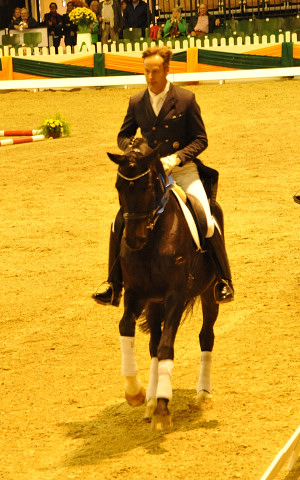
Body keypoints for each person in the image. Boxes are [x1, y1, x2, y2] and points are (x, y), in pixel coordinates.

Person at [94, 45, 234, 306]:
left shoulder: (185, 99)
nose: (150, 77)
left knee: (206, 219)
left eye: (155, 71)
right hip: (150, 176)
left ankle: (223, 281)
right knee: (118, 222)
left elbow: (200, 139)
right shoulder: (136, 102)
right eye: (146, 72)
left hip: (182, 171)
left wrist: (177, 157)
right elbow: (123, 135)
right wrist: (134, 151)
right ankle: (113, 284)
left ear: (167, 70)